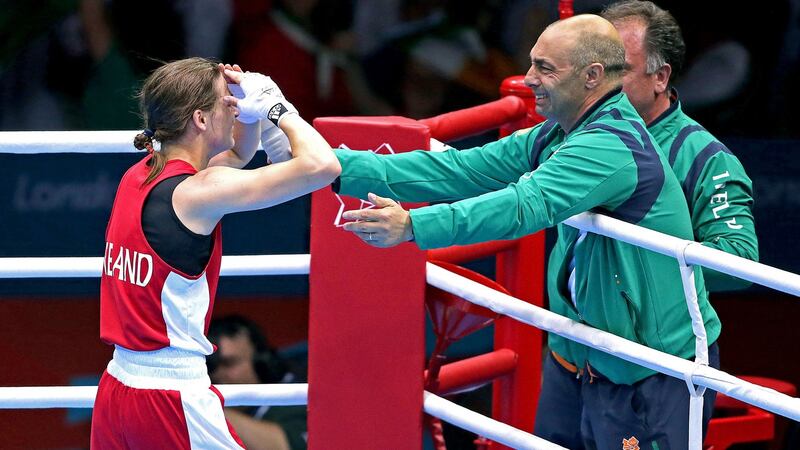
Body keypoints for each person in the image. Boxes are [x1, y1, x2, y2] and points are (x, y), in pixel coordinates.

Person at [335, 14, 721, 449]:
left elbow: (523, 205)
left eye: (545, 68)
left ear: (593, 76)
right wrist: (333, 166)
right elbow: (460, 168)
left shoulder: (609, 145)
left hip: (653, 370)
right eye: (533, 63)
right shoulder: (559, 132)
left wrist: (413, 225)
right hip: (590, 354)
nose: (529, 78)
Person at [90, 57, 340, 449]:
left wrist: (247, 105)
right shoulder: (199, 192)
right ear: (201, 119)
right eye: (228, 102)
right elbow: (323, 166)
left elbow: (239, 155)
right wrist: (275, 105)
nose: (235, 107)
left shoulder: (140, 174)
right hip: (170, 397)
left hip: (118, 386)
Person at [601, 0, 758, 291]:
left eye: (618, 69)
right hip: (570, 331)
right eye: (595, 67)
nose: (597, 82)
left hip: (646, 336)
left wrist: (629, 257)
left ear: (660, 77)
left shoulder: (707, 158)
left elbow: (740, 262)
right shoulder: (574, 131)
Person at [207, 315, 307, 450]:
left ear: (261, 364)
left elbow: (285, 446)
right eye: (211, 367)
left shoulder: (296, 396)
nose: (217, 375)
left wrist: (207, 405)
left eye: (228, 363)